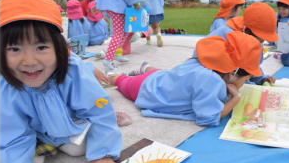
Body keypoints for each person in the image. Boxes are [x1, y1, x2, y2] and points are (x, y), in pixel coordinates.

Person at [0, 0, 122, 163]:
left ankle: (57, 144)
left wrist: (103, 153)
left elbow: (99, 111)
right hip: (39, 131)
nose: (29, 61)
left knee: (80, 149)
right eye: (14, 49)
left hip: (70, 125)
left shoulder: (75, 72)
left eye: (41, 47)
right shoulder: (6, 86)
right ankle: (41, 146)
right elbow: (12, 130)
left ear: (59, 47)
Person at [105, 31, 263, 127]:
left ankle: (146, 68)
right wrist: (235, 99)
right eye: (246, 79)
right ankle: (112, 75)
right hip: (145, 88)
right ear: (232, 73)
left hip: (160, 78)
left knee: (161, 74)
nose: (244, 83)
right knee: (121, 81)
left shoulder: (205, 63)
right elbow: (209, 117)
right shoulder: (211, 81)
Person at [207, 2, 279, 85]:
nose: (263, 41)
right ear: (250, 32)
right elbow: (222, 77)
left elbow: (251, 65)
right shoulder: (226, 37)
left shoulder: (250, 34)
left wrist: (262, 79)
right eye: (262, 37)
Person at [96, 0, 141, 70]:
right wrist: (135, 1)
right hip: (117, 5)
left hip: (111, 4)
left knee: (125, 31)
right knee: (119, 33)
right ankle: (108, 59)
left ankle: (117, 53)